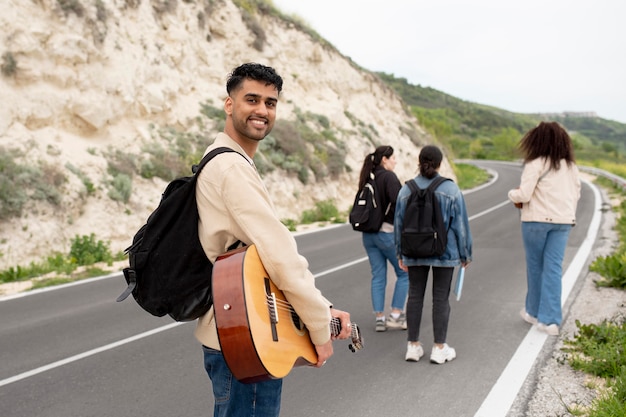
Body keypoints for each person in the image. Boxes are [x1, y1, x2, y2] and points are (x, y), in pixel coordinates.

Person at [194, 63, 352, 416]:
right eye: (252, 99)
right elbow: (280, 257)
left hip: (242, 327)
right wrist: (319, 329)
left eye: (271, 102)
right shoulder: (231, 168)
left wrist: (323, 310)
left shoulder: (230, 160)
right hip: (244, 335)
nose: (262, 110)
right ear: (229, 104)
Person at [394, 145, 472, 364]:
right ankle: (439, 348)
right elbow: (460, 225)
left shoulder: (406, 190)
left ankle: (413, 346)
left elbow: (398, 224)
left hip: (413, 250)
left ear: (419, 162)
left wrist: (400, 253)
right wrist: (465, 254)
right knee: (440, 298)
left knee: (415, 295)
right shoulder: (450, 189)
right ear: (440, 164)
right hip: (444, 252)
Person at [508, 121, 581, 336]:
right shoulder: (571, 166)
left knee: (535, 267)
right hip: (563, 222)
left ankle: (532, 312)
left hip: (536, 221)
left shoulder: (536, 163)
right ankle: (551, 321)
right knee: (553, 269)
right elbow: (576, 194)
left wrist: (512, 194)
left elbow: (524, 194)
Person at [356, 145, 409, 332]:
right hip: (386, 234)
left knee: (378, 276)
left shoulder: (369, 177)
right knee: (404, 273)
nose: (395, 161)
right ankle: (395, 315)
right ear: (384, 159)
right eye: (393, 157)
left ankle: (380, 318)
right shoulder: (389, 177)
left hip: (368, 236)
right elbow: (400, 205)